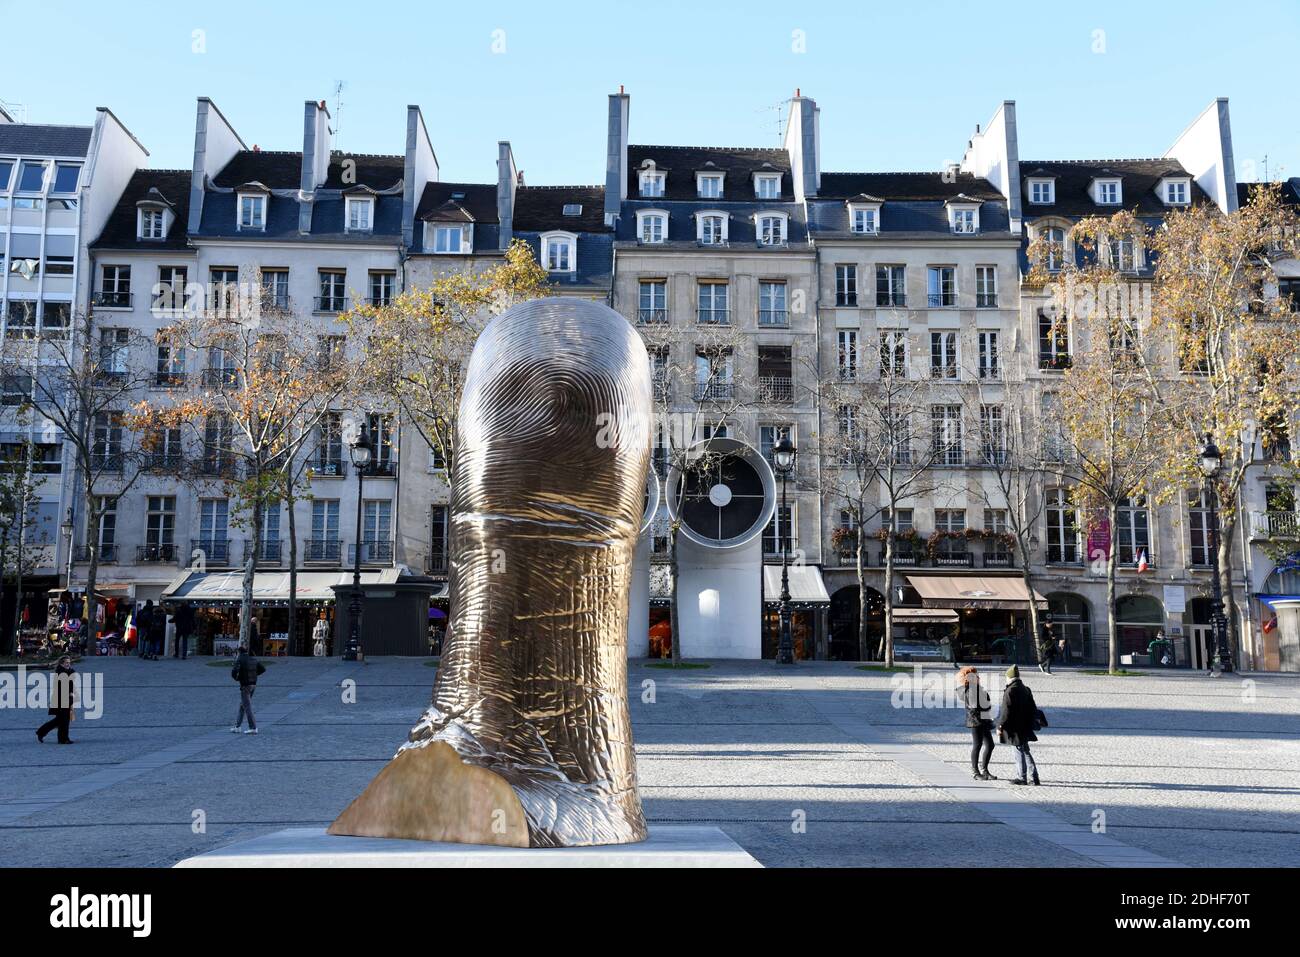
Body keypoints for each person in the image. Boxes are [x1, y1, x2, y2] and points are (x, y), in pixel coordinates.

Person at [997, 665, 1042, 785]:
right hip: (1025, 725)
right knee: (1026, 751)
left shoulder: (1010, 690)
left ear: (1009, 677)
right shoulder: (1026, 689)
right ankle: (1034, 777)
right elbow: (1033, 707)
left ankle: (1022, 777)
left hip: (1014, 727)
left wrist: (1000, 726)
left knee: (1018, 751)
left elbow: (1006, 712)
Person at [958, 666, 996, 780]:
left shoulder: (976, 688)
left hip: (983, 720)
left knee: (990, 744)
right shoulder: (970, 690)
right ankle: (975, 771)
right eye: (975, 675)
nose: (978, 676)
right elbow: (976, 707)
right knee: (977, 745)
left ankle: (984, 769)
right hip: (976, 721)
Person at [37, 656, 76, 745]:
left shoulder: (66, 672)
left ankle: (42, 733)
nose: (68, 664)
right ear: (62, 663)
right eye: (66, 663)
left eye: (69, 662)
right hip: (61, 699)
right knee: (64, 720)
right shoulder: (61, 673)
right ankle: (63, 739)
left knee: (60, 720)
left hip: (65, 698)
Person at [230, 644, 266, 735]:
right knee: (243, 705)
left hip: (245, 685)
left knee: (247, 707)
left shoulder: (240, 659)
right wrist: (254, 675)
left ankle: (253, 728)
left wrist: (237, 678)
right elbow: (263, 669)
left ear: (239, 652)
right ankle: (237, 726)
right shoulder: (253, 659)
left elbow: (234, 672)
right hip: (253, 684)